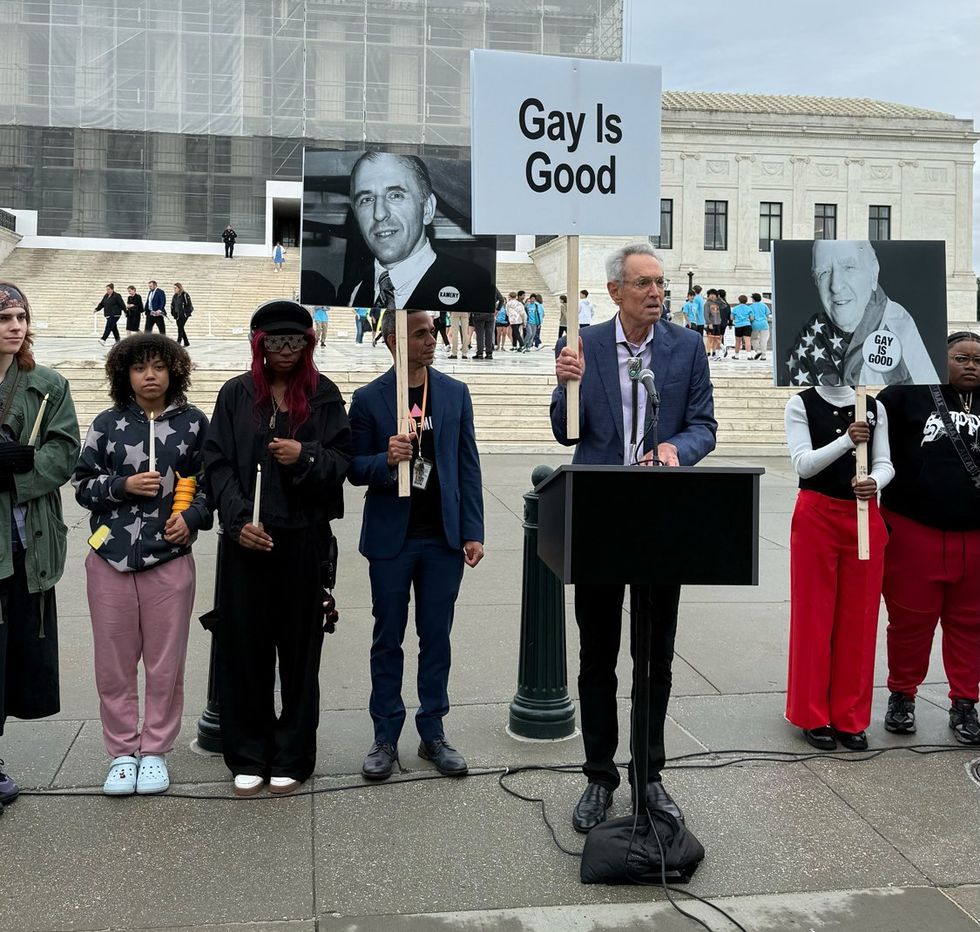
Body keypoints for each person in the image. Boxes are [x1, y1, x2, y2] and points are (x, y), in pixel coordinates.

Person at [551, 243, 716, 833]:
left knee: (654, 657)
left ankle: (649, 774)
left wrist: (675, 449)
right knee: (597, 656)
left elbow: (705, 426)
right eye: (644, 283)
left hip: (658, 519)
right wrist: (563, 387)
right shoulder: (585, 345)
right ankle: (599, 776)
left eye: (660, 283)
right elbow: (565, 433)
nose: (656, 293)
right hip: (599, 516)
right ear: (615, 291)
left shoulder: (686, 347)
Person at [203, 301, 351, 796]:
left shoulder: (324, 395)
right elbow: (217, 463)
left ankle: (293, 753)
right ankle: (248, 750)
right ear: (259, 345)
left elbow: (342, 460)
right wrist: (237, 521)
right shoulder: (236, 394)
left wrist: (303, 455)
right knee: (245, 648)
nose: (285, 351)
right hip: (247, 542)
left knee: (299, 650)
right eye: (275, 342)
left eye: (295, 342)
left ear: (308, 345)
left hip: (303, 540)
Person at [348, 308, 485, 782]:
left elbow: (467, 465)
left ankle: (433, 733)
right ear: (392, 341)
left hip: (442, 539)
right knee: (388, 638)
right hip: (392, 540)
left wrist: (473, 530)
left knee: (436, 637)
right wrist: (385, 460)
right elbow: (353, 467)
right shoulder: (368, 399)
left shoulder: (454, 393)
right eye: (421, 333)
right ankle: (385, 736)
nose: (432, 339)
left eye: (433, 331)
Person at [73, 334, 211, 795]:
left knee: (164, 664)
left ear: (174, 371)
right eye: (139, 368)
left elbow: (212, 483)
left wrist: (192, 518)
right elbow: (82, 485)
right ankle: (121, 753)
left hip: (169, 560)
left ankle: (154, 750)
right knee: (112, 664)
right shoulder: (106, 423)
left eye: (158, 366)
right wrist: (122, 485)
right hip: (109, 560)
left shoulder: (194, 423)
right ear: (124, 374)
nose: (149, 376)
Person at [876, 331, 980, 745]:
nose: (971, 365)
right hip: (914, 529)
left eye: (978, 360)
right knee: (909, 622)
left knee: (971, 624)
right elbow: (871, 432)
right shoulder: (906, 394)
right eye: (961, 358)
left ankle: (965, 703)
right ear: (941, 359)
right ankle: (902, 696)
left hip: (975, 535)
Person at [0, 282, 80, 810]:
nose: (15, 326)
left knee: (14, 655)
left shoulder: (47, 385)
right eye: (4, 318)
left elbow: (65, 449)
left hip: (26, 543)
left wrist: (18, 473)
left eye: (21, 317)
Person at [784, 385, 893, 751]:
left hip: (862, 514)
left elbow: (885, 462)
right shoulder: (801, 403)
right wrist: (846, 440)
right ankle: (812, 714)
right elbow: (803, 464)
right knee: (813, 618)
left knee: (860, 618)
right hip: (817, 513)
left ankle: (851, 716)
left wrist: (874, 481)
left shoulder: (872, 406)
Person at [340, 152, 494, 318]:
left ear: (427, 209)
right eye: (366, 200)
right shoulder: (351, 291)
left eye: (395, 195)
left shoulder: (473, 288)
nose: (379, 214)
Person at [783, 240, 940, 387]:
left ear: (874, 273)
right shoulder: (810, 336)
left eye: (848, 267)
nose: (835, 286)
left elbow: (923, 398)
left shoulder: (896, 328)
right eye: (823, 273)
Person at [730, 295, 753, 359]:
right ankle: (749, 355)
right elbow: (751, 318)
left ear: (739, 300)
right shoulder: (749, 308)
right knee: (747, 340)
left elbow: (731, 318)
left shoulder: (735, 308)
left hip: (738, 325)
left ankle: (736, 355)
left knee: (738, 341)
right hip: (747, 325)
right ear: (746, 301)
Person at [748, 293, 770, 360]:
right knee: (764, 340)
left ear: (753, 299)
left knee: (754, 338)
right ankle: (763, 356)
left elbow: (751, 318)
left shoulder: (751, 307)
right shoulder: (764, 305)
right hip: (764, 324)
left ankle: (758, 350)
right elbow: (767, 315)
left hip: (755, 325)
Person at [170, 283, 193, 348]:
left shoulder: (185, 295)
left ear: (179, 288)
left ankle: (178, 342)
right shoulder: (175, 296)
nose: (174, 289)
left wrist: (185, 313)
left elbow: (189, 305)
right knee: (181, 328)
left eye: (175, 288)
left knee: (180, 327)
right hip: (177, 315)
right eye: (174, 288)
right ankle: (186, 342)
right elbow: (172, 305)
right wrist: (173, 313)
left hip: (184, 315)